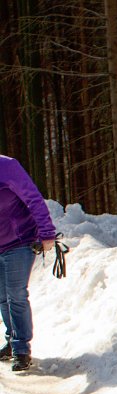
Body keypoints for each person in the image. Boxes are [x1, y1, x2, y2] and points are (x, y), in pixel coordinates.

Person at [0, 155, 55, 372]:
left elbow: (33, 198)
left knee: (16, 294)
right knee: (2, 297)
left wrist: (47, 232)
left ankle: (21, 349)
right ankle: (12, 340)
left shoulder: (7, 166)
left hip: (20, 241)